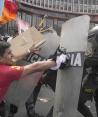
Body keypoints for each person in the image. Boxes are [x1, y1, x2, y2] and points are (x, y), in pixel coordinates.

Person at [0, 41, 68, 117]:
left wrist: (29, 51)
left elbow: (15, 58)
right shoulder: (6, 71)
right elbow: (34, 67)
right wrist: (57, 61)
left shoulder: (4, 64)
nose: (12, 55)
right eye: (9, 53)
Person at [25, 48, 70, 117]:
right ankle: (30, 112)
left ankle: (31, 112)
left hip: (42, 74)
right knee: (29, 93)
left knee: (34, 92)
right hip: (34, 74)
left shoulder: (53, 48)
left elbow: (51, 63)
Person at [78, 26, 98, 117]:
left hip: (94, 79)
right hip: (93, 78)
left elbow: (91, 60)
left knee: (78, 102)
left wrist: (78, 59)